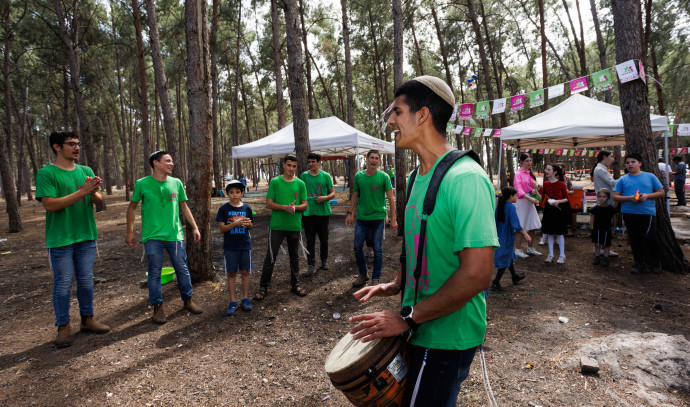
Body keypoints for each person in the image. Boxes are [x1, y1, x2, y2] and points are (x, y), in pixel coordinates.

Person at [349, 76, 498, 406]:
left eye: (397, 111)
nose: (390, 121)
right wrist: (395, 284)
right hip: (420, 327)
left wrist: (406, 318)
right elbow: (423, 245)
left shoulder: (466, 179)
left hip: (446, 337)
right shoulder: (417, 177)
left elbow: (477, 274)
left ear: (423, 115)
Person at [36, 132, 111, 348]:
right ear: (57, 147)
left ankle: (87, 320)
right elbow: (50, 205)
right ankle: (63, 327)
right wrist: (83, 192)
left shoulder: (85, 171)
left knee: (86, 280)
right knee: (63, 283)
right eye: (71, 144)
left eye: (78, 144)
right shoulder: (46, 173)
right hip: (60, 238)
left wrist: (94, 192)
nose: (77, 147)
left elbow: (98, 200)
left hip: (86, 235)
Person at [126, 151, 203, 325]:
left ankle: (188, 300)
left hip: (174, 235)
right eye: (168, 161)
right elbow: (131, 208)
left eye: (172, 161)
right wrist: (130, 231)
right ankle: (158, 307)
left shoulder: (176, 183)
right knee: (154, 272)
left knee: (182, 269)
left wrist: (195, 227)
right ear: (156, 163)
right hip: (152, 236)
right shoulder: (142, 184)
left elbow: (183, 207)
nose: (172, 163)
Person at [254, 154, 308, 300]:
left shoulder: (300, 183)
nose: (291, 168)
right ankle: (263, 287)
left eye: (294, 166)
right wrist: (285, 207)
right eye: (289, 165)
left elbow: (305, 205)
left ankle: (296, 284)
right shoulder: (275, 182)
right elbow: (268, 203)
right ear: (283, 165)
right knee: (270, 257)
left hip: (294, 226)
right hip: (277, 226)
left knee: (294, 257)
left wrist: (295, 208)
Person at [345, 150, 398, 286]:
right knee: (357, 246)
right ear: (367, 159)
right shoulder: (359, 176)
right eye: (372, 158)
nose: (374, 161)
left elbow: (391, 198)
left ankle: (376, 278)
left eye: (376, 158)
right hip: (362, 218)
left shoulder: (384, 177)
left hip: (378, 217)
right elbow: (355, 196)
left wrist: (393, 218)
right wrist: (350, 213)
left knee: (377, 248)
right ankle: (363, 274)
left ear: (379, 160)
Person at [612, 153, 665, 274]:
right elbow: (615, 197)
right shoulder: (623, 179)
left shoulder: (650, 177)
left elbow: (661, 192)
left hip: (647, 213)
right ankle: (638, 263)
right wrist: (629, 198)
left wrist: (647, 196)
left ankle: (656, 262)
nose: (630, 164)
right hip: (629, 213)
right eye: (627, 162)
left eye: (633, 162)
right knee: (635, 239)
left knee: (650, 237)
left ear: (640, 163)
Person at [216, 180, 253, 316]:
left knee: (245, 272)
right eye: (231, 192)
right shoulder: (224, 209)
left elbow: (251, 226)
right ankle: (232, 301)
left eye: (237, 192)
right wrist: (235, 224)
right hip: (230, 247)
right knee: (232, 273)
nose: (235, 195)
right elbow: (221, 229)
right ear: (227, 194)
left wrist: (248, 224)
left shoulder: (247, 208)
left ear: (242, 193)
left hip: (245, 245)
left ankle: (245, 299)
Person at [300, 152, 335, 277]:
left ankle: (324, 261)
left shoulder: (325, 176)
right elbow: (300, 193)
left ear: (319, 162)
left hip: (323, 212)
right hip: (308, 212)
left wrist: (325, 198)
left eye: (313, 162)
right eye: (309, 162)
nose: (310, 164)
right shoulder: (304, 176)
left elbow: (333, 193)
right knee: (310, 240)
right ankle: (310, 265)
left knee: (324, 239)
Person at [491, 187, 529, 291]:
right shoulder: (511, 207)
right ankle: (495, 282)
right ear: (511, 197)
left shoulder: (500, 205)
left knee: (508, 256)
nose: (517, 197)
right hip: (507, 236)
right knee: (505, 258)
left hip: (499, 234)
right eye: (516, 195)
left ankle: (514, 276)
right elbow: (515, 223)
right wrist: (524, 233)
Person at [591, 150, 619, 257]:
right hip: (604, 202)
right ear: (604, 157)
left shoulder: (601, 169)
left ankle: (601, 247)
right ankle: (602, 248)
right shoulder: (600, 170)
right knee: (604, 225)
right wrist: (626, 178)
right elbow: (612, 182)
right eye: (611, 157)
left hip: (604, 200)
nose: (612, 159)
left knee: (603, 224)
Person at [513, 153, 542, 258]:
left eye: (530, 161)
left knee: (533, 225)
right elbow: (519, 190)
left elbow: (530, 188)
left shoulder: (530, 173)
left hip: (530, 202)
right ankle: (518, 249)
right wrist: (530, 198)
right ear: (521, 162)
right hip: (522, 202)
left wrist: (533, 190)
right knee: (521, 227)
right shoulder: (518, 174)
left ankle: (530, 248)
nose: (529, 163)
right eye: (527, 161)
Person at [540, 164, 571, 264]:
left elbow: (567, 198)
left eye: (548, 169)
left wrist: (558, 202)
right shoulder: (545, 184)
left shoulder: (562, 184)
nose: (546, 171)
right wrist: (536, 191)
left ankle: (562, 255)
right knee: (549, 233)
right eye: (546, 169)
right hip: (548, 210)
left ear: (555, 172)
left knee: (559, 233)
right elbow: (542, 198)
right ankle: (550, 255)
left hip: (558, 211)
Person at [589, 189, 617, 267]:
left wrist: (614, 229)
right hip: (597, 229)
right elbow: (592, 218)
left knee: (606, 244)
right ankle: (597, 257)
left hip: (607, 229)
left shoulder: (611, 209)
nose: (602, 198)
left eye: (604, 197)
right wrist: (592, 227)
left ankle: (605, 258)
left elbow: (615, 218)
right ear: (597, 197)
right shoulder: (595, 209)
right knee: (597, 244)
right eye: (600, 196)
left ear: (608, 198)